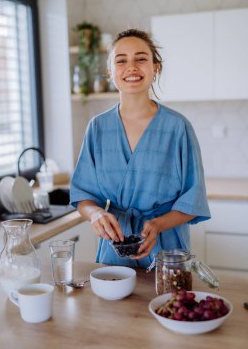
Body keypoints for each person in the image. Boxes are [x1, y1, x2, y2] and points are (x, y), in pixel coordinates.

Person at [70, 28, 210, 268]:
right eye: (121, 60)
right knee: (111, 304)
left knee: (167, 305)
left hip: (167, 249)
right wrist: (96, 214)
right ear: (110, 71)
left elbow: (193, 201)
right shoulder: (97, 128)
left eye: (141, 58)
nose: (131, 67)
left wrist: (158, 224)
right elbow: (83, 196)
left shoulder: (178, 128)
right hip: (115, 248)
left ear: (155, 67)